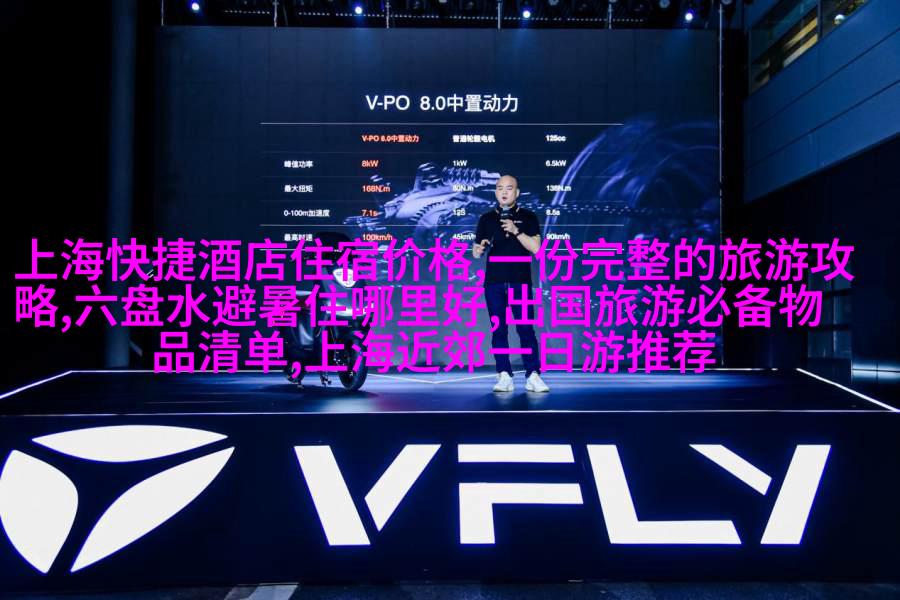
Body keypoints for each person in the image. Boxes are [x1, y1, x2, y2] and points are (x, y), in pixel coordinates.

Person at [473, 175, 550, 393]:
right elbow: (476, 252)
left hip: (520, 281)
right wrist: (480, 248)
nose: (504, 192)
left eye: (509, 188)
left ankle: (533, 375)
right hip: (494, 283)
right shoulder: (486, 218)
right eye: (500, 188)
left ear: (517, 193)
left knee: (526, 329)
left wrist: (516, 231)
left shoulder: (528, 217)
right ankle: (504, 375)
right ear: (495, 192)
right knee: (499, 329)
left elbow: (536, 248)